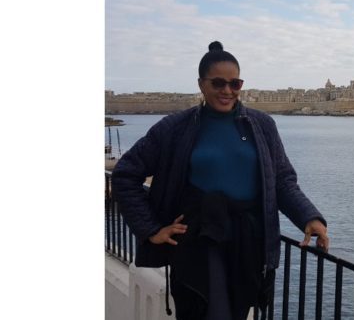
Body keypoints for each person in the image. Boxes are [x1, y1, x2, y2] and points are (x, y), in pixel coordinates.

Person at [111, 41, 329, 320]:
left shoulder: (262, 125)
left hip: (247, 242)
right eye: (218, 83)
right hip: (198, 241)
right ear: (201, 84)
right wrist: (151, 229)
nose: (227, 91)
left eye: (234, 84)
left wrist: (310, 218)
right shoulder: (175, 127)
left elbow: (283, 180)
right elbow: (125, 174)